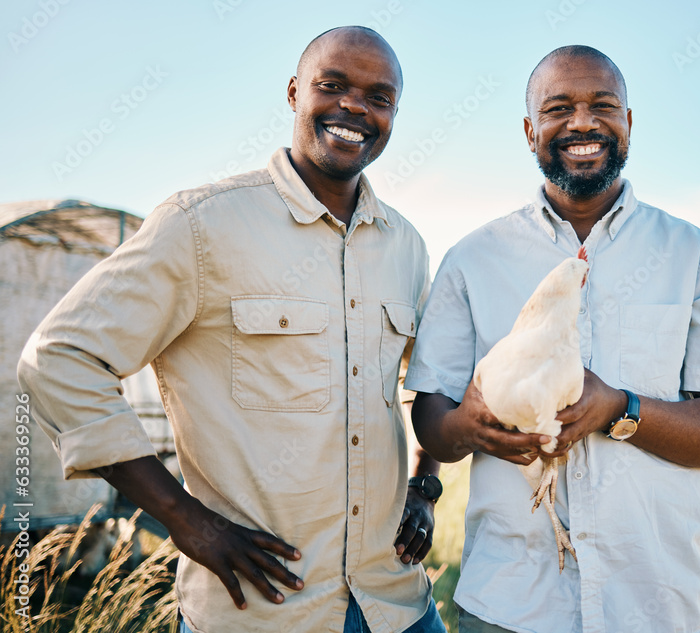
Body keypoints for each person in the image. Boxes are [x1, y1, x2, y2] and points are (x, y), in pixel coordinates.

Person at [18, 27, 446, 633]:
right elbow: (58, 357)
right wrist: (185, 520)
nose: (355, 107)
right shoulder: (201, 224)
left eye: (379, 97)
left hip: (397, 605)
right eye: (333, 85)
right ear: (295, 92)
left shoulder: (405, 245)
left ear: (393, 114)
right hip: (260, 612)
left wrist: (423, 487)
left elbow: (431, 377)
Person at [405, 45, 700, 633]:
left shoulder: (698, 259)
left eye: (603, 104)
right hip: (509, 603)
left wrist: (618, 409)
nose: (581, 122)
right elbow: (432, 422)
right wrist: (467, 427)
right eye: (558, 107)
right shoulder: (472, 259)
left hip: (652, 604)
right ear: (529, 130)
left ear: (628, 123)